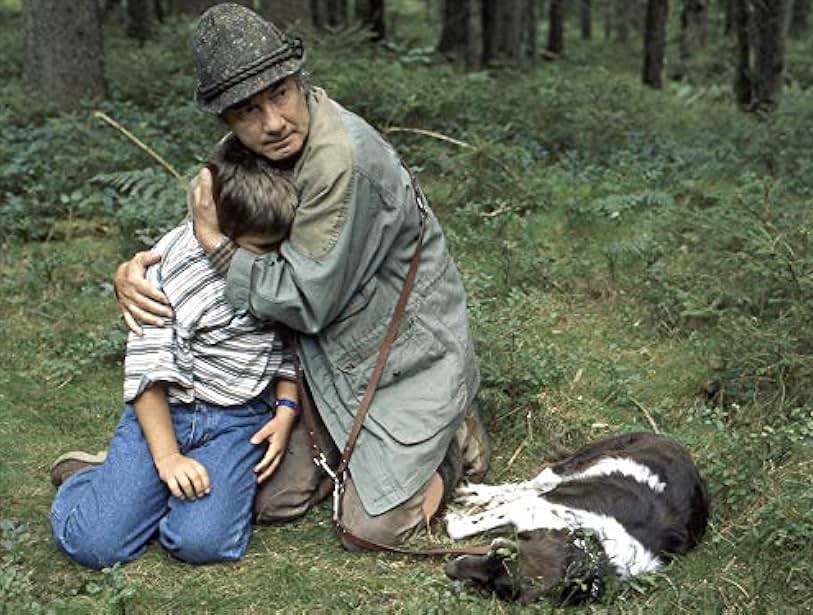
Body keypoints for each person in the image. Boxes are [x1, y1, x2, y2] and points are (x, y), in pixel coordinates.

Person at [62, 2, 490, 549]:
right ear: (227, 120)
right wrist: (142, 268)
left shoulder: (345, 164)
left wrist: (216, 248)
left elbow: (301, 299)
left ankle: (449, 443)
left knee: (373, 529)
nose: (272, 123)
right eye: (247, 110)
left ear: (299, 81)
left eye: (280, 95)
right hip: (312, 355)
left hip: (399, 356)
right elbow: (217, 224)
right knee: (265, 498)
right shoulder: (246, 149)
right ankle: (124, 483)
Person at [50, 135, 301, 569]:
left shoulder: (274, 267)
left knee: (203, 544)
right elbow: (149, 371)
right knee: (96, 546)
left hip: (238, 419)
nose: (273, 259)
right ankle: (90, 481)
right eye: (262, 249)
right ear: (224, 233)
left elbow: (285, 340)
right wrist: (165, 457)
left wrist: (284, 408)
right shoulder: (172, 269)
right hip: (170, 411)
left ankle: (146, 490)